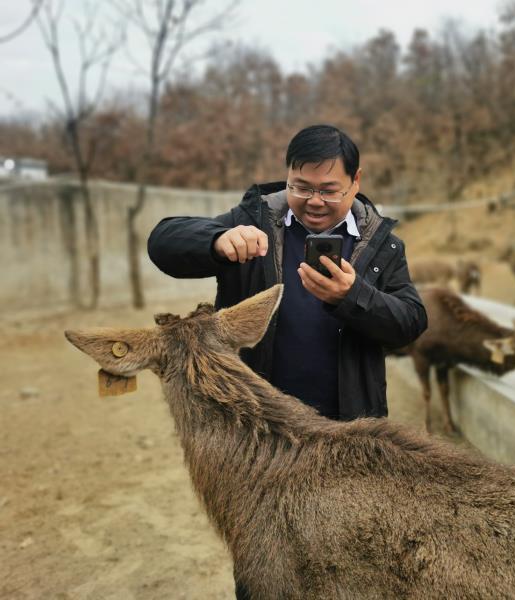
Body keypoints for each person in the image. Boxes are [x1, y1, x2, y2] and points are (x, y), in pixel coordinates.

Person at [148, 124, 427, 424]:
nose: (315, 201)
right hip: (256, 425)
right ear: (288, 176)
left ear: (355, 180)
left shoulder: (383, 245)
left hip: (350, 430)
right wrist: (216, 241)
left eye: (329, 191)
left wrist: (352, 296)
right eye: (302, 187)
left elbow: (411, 322)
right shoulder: (253, 221)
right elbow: (163, 241)